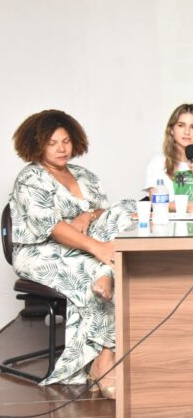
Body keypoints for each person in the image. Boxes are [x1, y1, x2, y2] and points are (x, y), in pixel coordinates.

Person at [8, 110, 135, 397]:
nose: (61, 148)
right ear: (37, 144)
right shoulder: (30, 178)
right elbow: (51, 227)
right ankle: (104, 363)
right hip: (41, 251)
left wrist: (88, 216)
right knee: (97, 276)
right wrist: (98, 248)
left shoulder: (85, 176)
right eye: (52, 143)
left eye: (66, 141)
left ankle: (103, 355)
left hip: (87, 246)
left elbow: (106, 212)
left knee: (128, 209)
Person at [144, 103, 193, 213]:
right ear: (171, 130)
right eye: (181, 125)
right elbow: (155, 203)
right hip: (169, 223)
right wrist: (188, 207)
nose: (187, 132)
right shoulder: (158, 162)